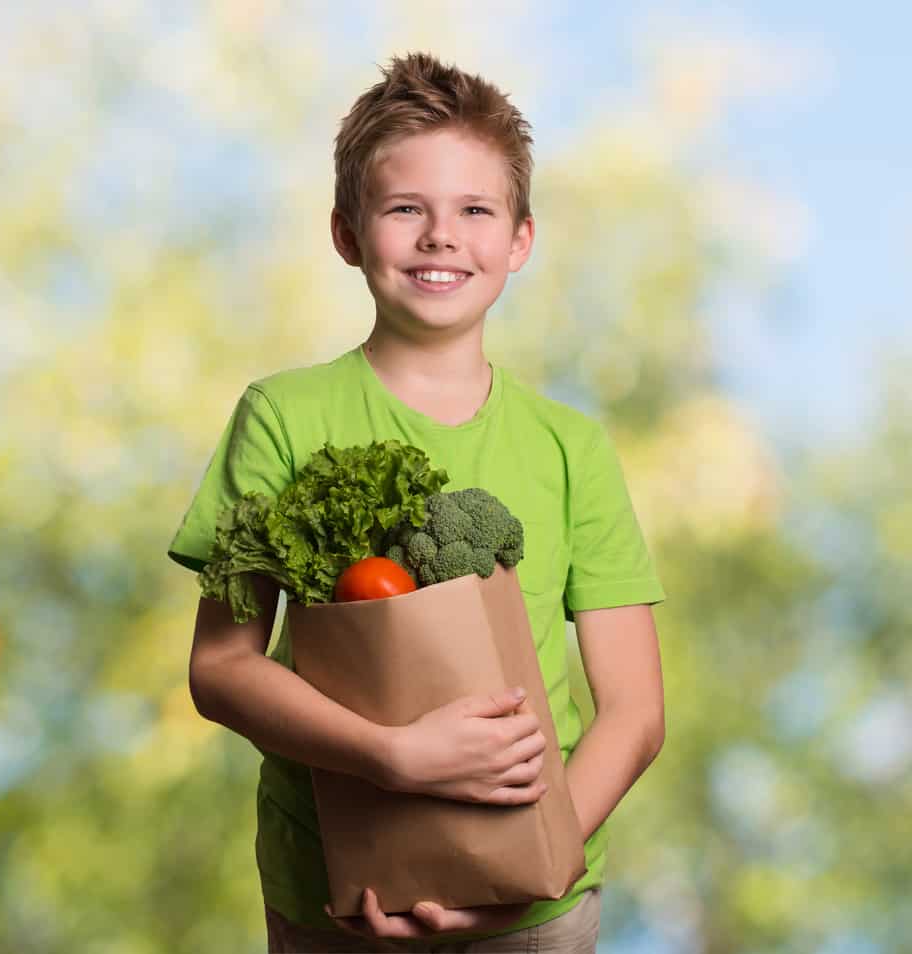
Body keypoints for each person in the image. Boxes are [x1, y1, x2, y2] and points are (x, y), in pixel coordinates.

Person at [168, 51, 666, 954]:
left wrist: (535, 865)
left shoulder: (571, 447)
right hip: (339, 896)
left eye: (475, 210)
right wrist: (394, 757)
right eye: (407, 209)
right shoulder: (283, 417)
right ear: (347, 233)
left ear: (519, 239)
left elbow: (634, 711)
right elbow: (222, 669)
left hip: (537, 911)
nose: (441, 236)